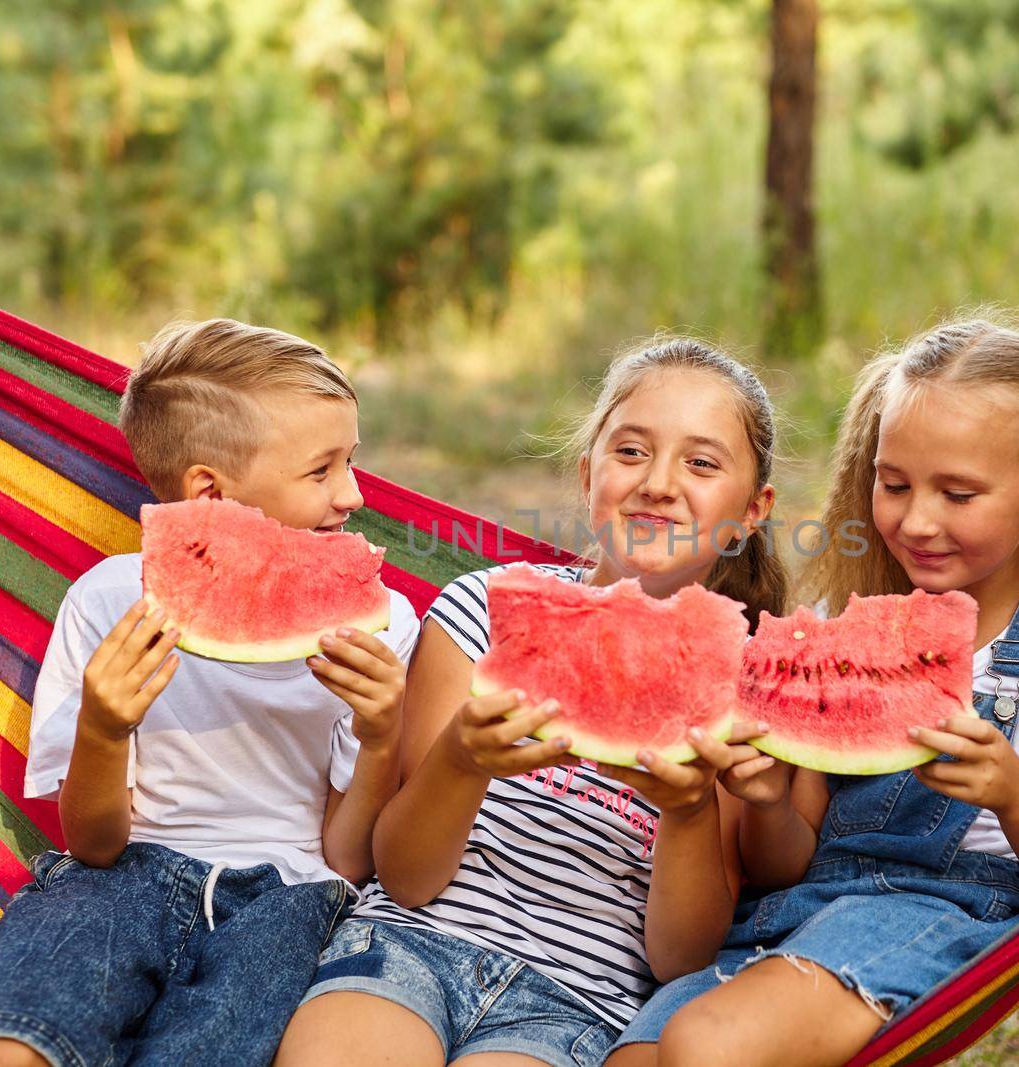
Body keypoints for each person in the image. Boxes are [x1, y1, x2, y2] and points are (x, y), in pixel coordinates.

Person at [610, 317, 1019, 1067]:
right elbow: (787, 861)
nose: (916, 520)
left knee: (704, 1045)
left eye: (958, 493)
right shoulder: (835, 627)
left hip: (940, 912)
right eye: (893, 484)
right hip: (791, 910)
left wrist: (1014, 793)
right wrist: (763, 800)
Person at [274, 337, 789, 1067]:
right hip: (404, 942)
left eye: (701, 463)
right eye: (631, 451)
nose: (659, 483)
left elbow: (681, 956)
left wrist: (690, 810)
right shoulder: (482, 611)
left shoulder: (742, 684)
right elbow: (406, 876)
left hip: (576, 1001)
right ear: (588, 476)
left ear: (752, 511)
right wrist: (460, 758)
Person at [0, 319, 418, 1067]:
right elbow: (93, 843)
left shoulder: (383, 624)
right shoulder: (110, 603)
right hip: (120, 879)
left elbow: (345, 857)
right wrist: (103, 726)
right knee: (11, 1042)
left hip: (289, 902)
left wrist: (383, 731)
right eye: (322, 469)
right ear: (210, 492)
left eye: (351, 461)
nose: (354, 494)